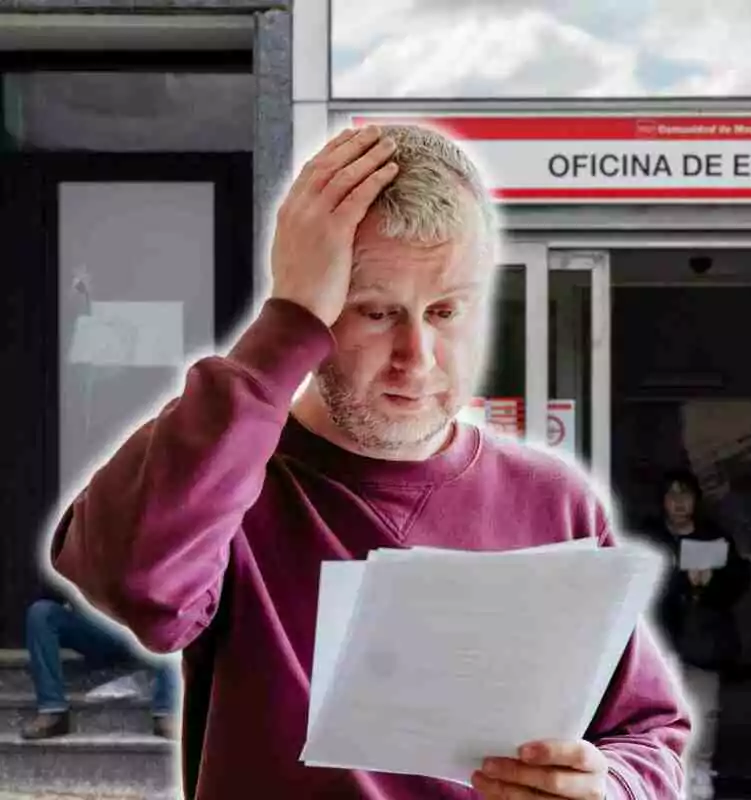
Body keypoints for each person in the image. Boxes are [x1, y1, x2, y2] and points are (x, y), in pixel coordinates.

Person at [44, 123, 689, 799]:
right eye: (377, 312)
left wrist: (608, 786)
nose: (418, 356)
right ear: (316, 308)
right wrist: (283, 324)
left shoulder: (554, 501)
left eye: (446, 311)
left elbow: (646, 734)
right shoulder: (237, 481)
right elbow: (139, 583)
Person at [639, 469, 750, 800]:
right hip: (659, 637)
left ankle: (700, 768)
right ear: (662, 501)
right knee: (657, 709)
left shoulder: (714, 536)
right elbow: (640, 581)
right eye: (672, 495)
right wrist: (681, 581)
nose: (679, 503)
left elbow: (738, 581)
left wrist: (710, 584)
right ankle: (664, 769)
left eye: (685, 495)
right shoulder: (649, 537)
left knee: (704, 708)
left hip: (703, 638)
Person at [20, 595, 179, 740]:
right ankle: (52, 710)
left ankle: (167, 712)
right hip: (96, 630)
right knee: (41, 612)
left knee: (172, 608)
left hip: (142, 634)